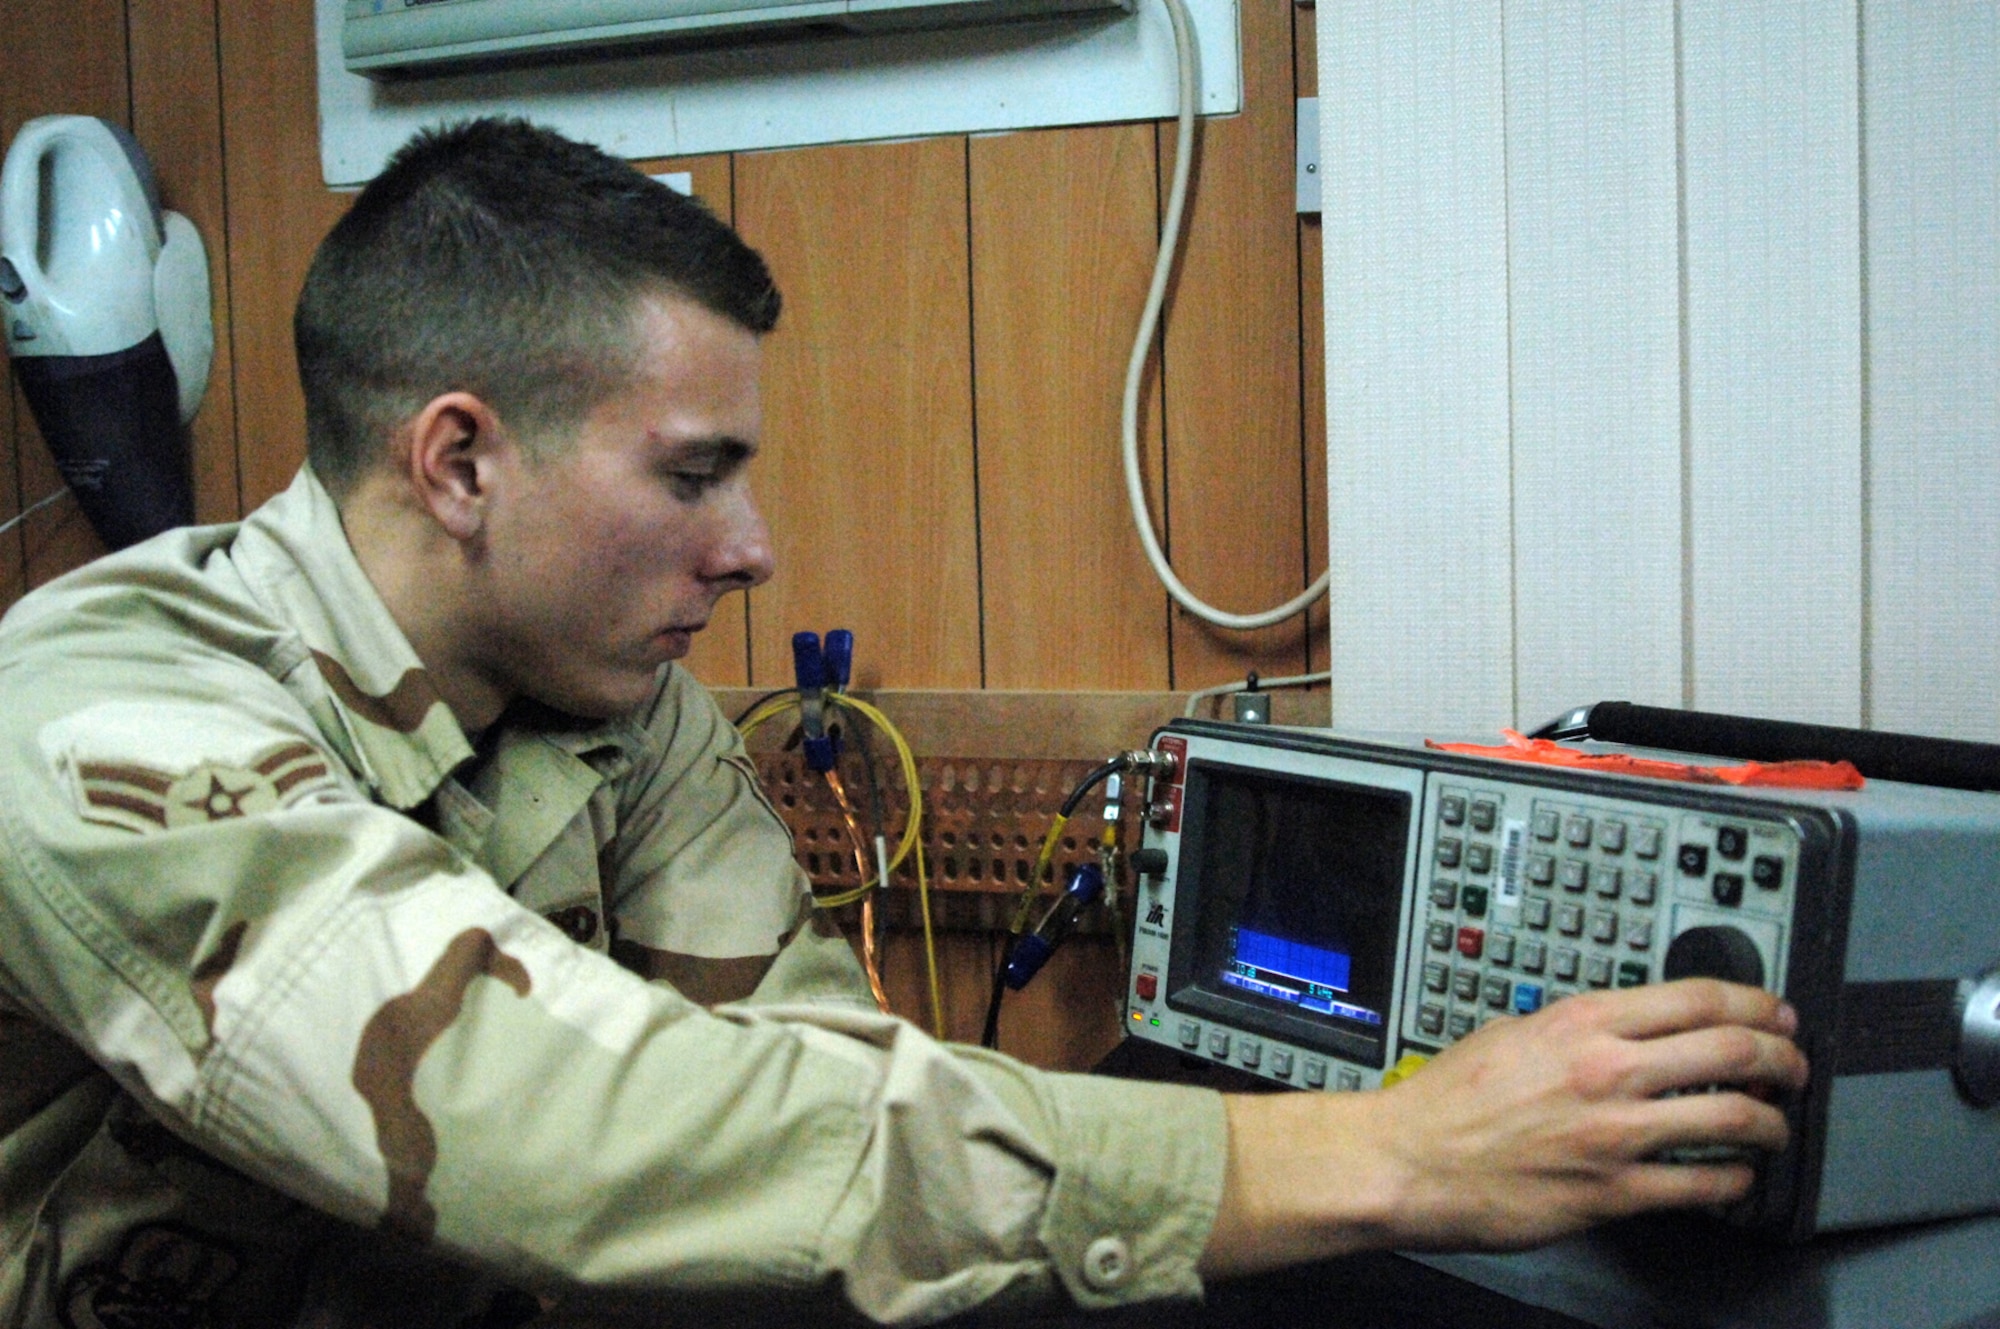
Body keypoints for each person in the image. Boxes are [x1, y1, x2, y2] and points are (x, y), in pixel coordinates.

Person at [0, 117, 1807, 1328]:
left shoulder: (627, 715)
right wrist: (1384, 1150)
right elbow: (552, 1123)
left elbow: (818, 1111)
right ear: (461, 457)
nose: (753, 545)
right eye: (693, 474)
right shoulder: (107, 709)